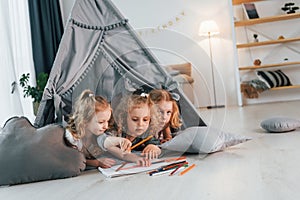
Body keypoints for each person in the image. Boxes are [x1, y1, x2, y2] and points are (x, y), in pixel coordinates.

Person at [65, 89, 150, 168]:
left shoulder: (98, 135)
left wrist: (136, 158)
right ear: (85, 121)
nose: (106, 126)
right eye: (101, 122)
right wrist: (96, 162)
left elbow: (112, 146)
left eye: (107, 121)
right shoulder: (74, 139)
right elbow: (73, 160)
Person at [113, 93, 162, 159]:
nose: (140, 124)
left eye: (145, 120)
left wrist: (153, 147)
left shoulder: (147, 134)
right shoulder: (117, 132)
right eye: (135, 119)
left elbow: (157, 146)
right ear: (124, 118)